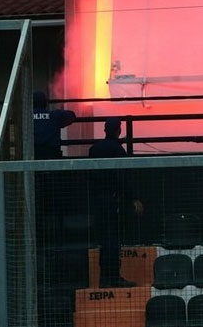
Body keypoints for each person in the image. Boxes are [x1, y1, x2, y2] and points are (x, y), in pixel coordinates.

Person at [89, 117, 140, 287]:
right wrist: (131, 198)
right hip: (113, 199)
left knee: (104, 240)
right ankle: (113, 277)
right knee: (113, 240)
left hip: (98, 200)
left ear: (104, 129)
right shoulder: (118, 150)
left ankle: (104, 278)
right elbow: (123, 177)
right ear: (118, 130)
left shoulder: (94, 149)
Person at [33, 91, 76, 159]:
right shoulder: (54, 116)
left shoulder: (26, 118)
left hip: (32, 155)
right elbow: (72, 116)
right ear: (45, 103)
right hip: (52, 155)